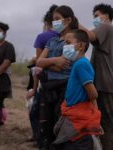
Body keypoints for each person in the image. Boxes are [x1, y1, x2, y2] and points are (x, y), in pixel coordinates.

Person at [36, 5, 78, 149]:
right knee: (46, 124)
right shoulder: (52, 41)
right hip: (48, 88)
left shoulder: (73, 41)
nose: (55, 23)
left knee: (59, 123)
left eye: (58, 19)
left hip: (64, 88)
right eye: (53, 20)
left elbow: (66, 65)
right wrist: (54, 61)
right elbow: (38, 62)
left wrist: (47, 64)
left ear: (68, 20)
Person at [52, 29, 102, 150]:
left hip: (78, 115)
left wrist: (92, 115)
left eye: (68, 42)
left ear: (80, 46)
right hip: (73, 112)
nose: (65, 46)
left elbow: (93, 93)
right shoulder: (78, 63)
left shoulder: (81, 64)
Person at [79, 3, 113, 150]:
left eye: (97, 16)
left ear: (106, 16)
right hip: (107, 85)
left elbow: (88, 35)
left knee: (106, 125)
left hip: (105, 86)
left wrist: (74, 22)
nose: (95, 19)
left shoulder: (106, 27)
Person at [26, 4, 58, 149]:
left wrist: (33, 88)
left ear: (46, 23)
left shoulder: (42, 37)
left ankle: (41, 142)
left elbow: (38, 67)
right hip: (63, 83)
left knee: (35, 114)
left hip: (46, 83)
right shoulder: (68, 36)